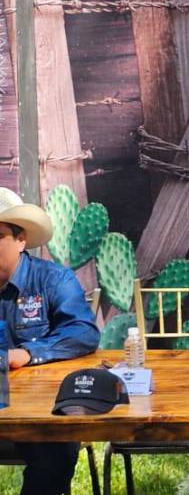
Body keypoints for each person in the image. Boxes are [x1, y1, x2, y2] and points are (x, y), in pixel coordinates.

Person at [0, 188, 100, 494]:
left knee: (56, 450)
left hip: (39, 406)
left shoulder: (54, 279)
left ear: (21, 240)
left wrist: (28, 353)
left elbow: (83, 331)